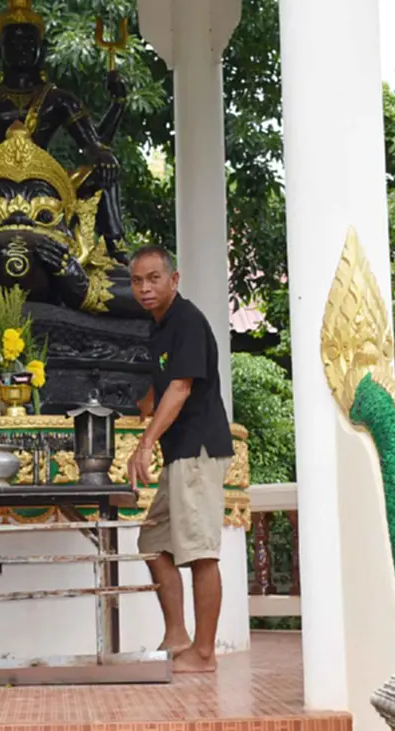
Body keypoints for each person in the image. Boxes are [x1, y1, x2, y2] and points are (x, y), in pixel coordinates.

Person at [126, 246, 234, 674]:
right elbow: (162, 386)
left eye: (154, 278)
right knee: (153, 542)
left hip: (197, 451)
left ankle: (204, 653)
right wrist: (139, 407)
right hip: (180, 455)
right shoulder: (161, 328)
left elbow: (182, 387)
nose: (145, 288)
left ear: (175, 279)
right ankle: (177, 635)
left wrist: (146, 442)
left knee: (201, 553)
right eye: (137, 281)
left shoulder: (187, 320)